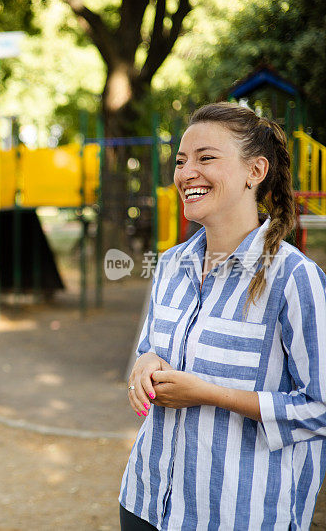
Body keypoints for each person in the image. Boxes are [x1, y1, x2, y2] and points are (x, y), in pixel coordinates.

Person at [120, 102, 326, 530]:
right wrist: (144, 364)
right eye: (181, 162)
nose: (185, 173)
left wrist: (210, 393)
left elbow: (320, 408)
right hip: (145, 501)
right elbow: (148, 350)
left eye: (206, 158)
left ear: (255, 171)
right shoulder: (171, 265)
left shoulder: (295, 279)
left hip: (237, 514)